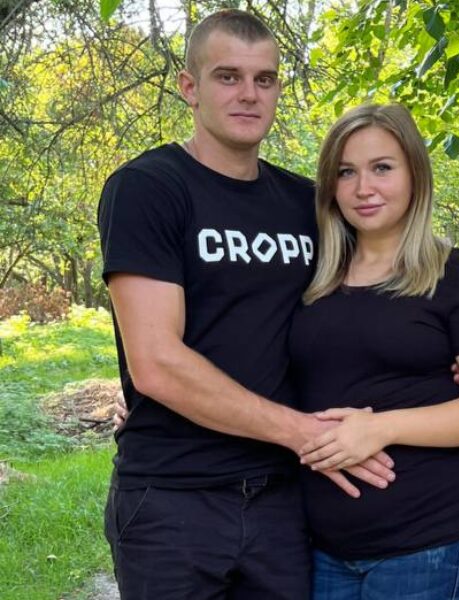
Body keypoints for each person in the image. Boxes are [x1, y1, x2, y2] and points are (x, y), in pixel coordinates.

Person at [96, 10, 395, 599]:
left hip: (284, 498)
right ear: (190, 87)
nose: (249, 94)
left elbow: (371, 300)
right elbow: (155, 363)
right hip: (174, 498)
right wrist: (302, 433)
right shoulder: (149, 188)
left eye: (265, 79)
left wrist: (449, 355)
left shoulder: (307, 203)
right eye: (228, 76)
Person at [288, 103, 459, 599]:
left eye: (382, 168)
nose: (363, 188)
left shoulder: (456, 274)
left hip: (430, 543)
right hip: (325, 550)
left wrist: (382, 427)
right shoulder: (311, 280)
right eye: (346, 172)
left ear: (415, 174)